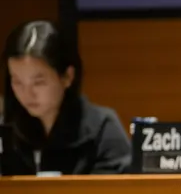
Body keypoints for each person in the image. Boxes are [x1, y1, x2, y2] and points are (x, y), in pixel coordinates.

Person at [1, 20, 131, 175]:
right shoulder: (8, 130)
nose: (27, 93)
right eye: (17, 82)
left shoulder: (103, 128)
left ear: (67, 76)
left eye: (38, 82)